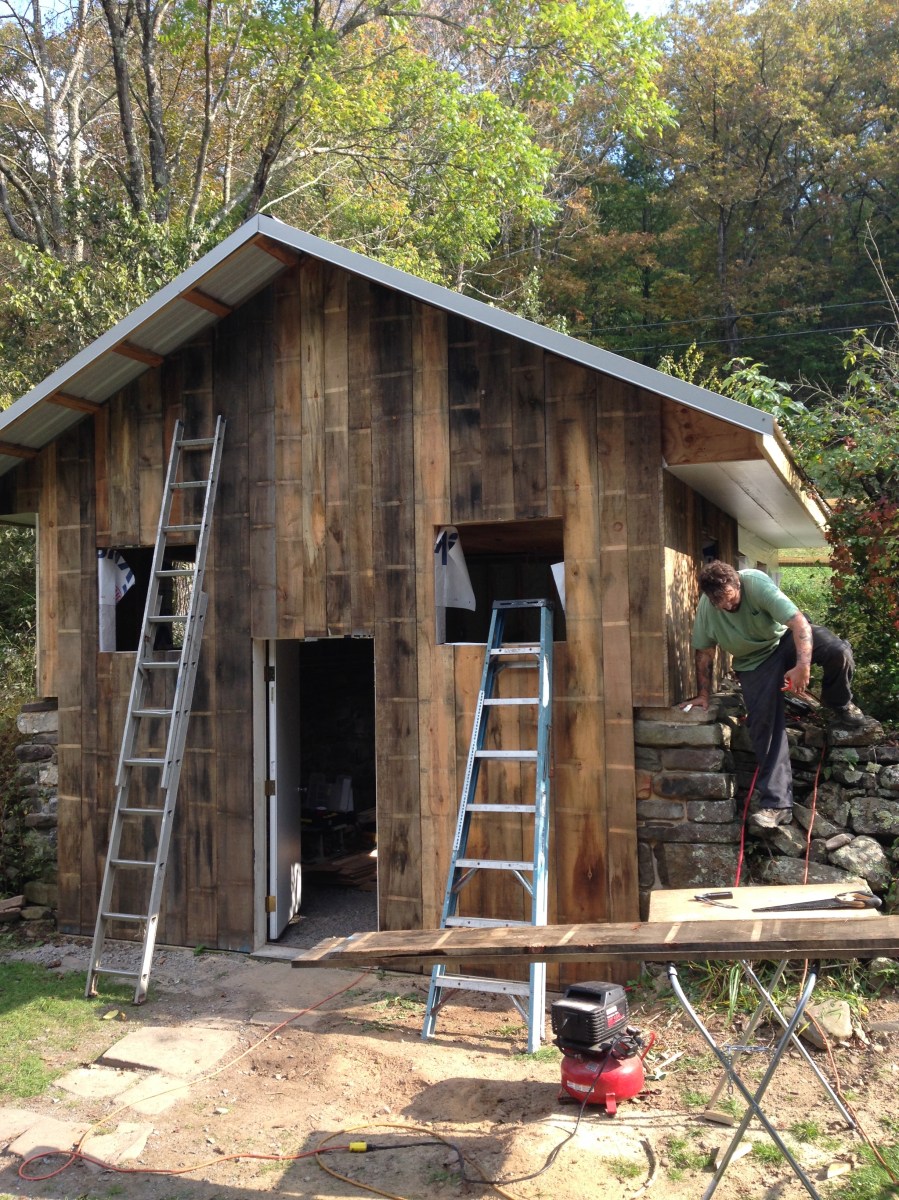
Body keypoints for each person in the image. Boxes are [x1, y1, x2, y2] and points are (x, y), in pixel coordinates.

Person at [683, 560, 878, 831]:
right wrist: (703, 695)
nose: (726, 606)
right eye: (719, 603)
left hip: (784, 641)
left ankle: (839, 704)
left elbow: (799, 624)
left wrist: (802, 667)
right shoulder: (709, 606)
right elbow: (704, 652)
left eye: (730, 598)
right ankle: (777, 805)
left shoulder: (756, 583)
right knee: (763, 723)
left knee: (838, 651)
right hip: (753, 663)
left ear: (738, 583)